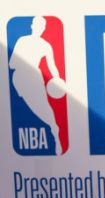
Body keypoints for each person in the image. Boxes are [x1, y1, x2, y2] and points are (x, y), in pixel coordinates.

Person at [9, 16, 63, 155]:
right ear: (32, 26)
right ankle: (54, 129)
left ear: (43, 28)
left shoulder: (46, 45)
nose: (39, 28)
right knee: (31, 108)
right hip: (21, 78)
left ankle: (55, 132)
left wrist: (57, 81)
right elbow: (11, 64)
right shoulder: (23, 40)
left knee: (43, 107)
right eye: (37, 24)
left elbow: (53, 67)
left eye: (42, 25)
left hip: (34, 78)